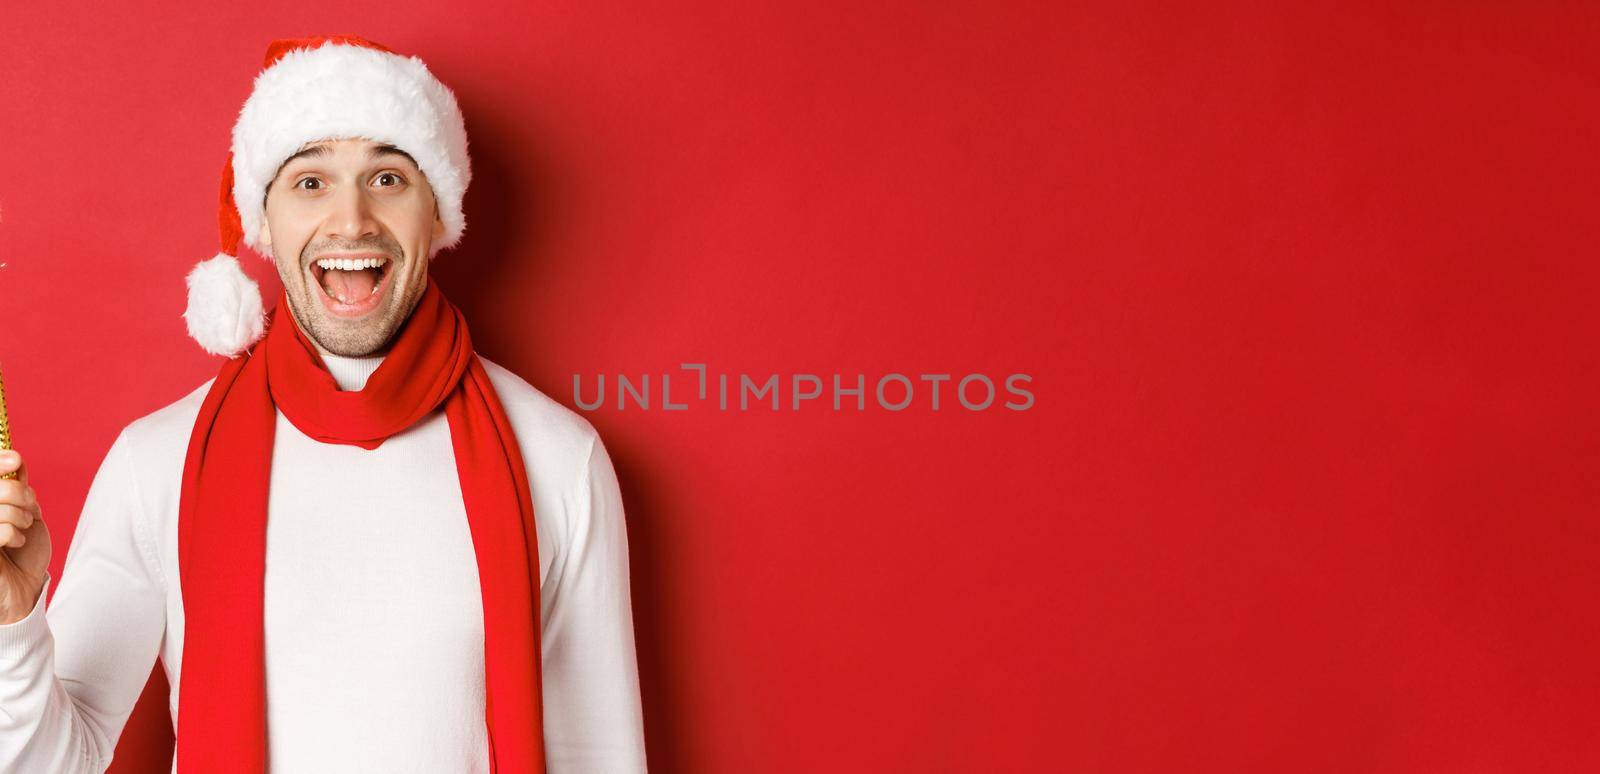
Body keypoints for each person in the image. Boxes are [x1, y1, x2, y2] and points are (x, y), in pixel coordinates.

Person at [0, 34, 648, 773]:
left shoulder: (557, 458)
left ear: (438, 214)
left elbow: (602, 755)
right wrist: (14, 624)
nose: (351, 222)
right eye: (311, 182)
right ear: (264, 226)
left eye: (388, 179)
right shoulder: (159, 461)